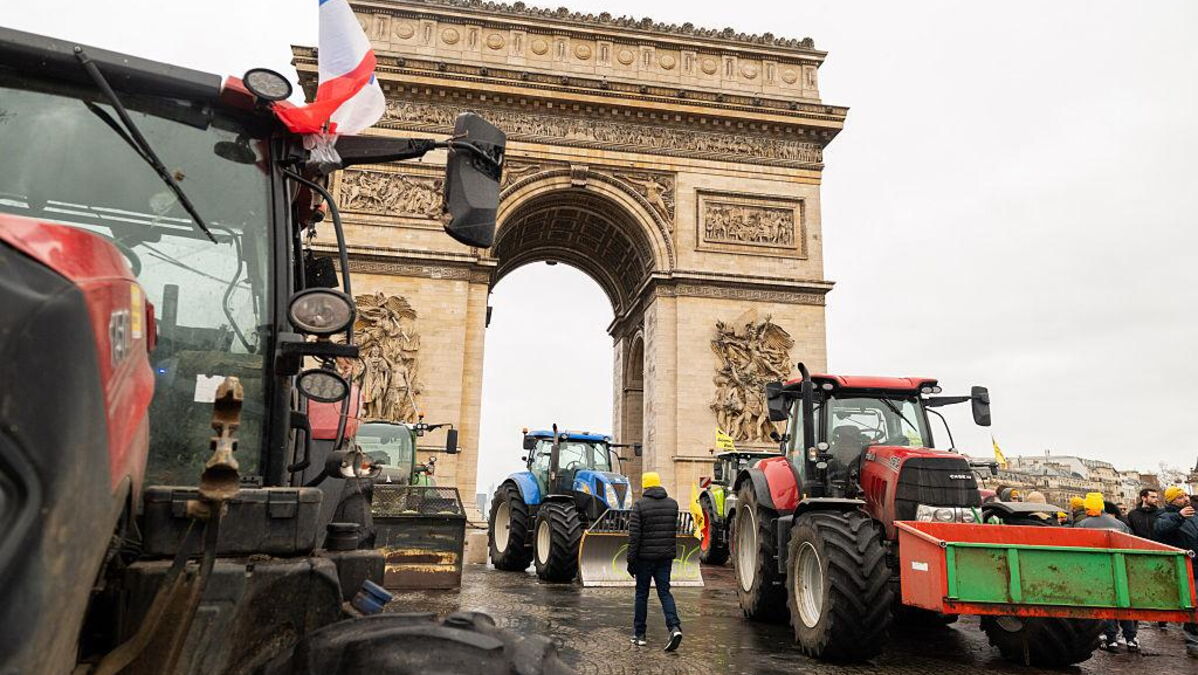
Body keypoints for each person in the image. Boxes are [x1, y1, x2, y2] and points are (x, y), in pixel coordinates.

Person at [627, 472, 683, 652]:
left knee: (642, 594)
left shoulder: (639, 506)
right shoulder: (672, 505)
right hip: (665, 558)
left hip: (644, 559)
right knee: (665, 592)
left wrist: (631, 561)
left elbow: (634, 537)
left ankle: (640, 635)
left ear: (645, 486)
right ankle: (674, 628)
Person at [1075, 492, 1138, 652]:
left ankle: (1111, 639)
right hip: (1118, 567)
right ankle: (1131, 638)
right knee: (1123, 603)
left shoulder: (1083, 524)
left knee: (1107, 604)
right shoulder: (1119, 524)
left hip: (1096, 569)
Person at [1155, 486, 1198, 658]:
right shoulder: (1164, 516)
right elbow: (1160, 528)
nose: (1186, 499)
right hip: (1186, 568)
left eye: (1186, 495)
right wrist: (1179, 517)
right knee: (1193, 606)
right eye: (1180, 497)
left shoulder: (1194, 515)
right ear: (1171, 500)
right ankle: (1193, 643)